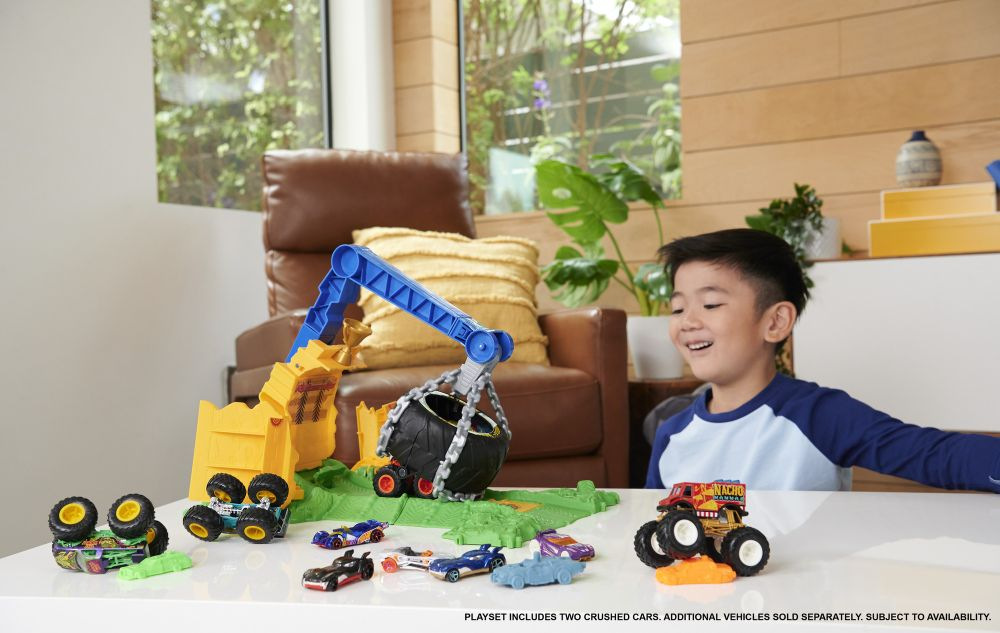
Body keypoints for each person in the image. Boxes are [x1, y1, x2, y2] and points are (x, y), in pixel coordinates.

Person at [645, 228, 1000, 492]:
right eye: (677, 308)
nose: (687, 322)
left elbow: (932, 454)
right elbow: (655, 526)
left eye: (710, 304)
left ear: (775, 322)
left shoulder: (818, 415)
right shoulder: (672, 433)